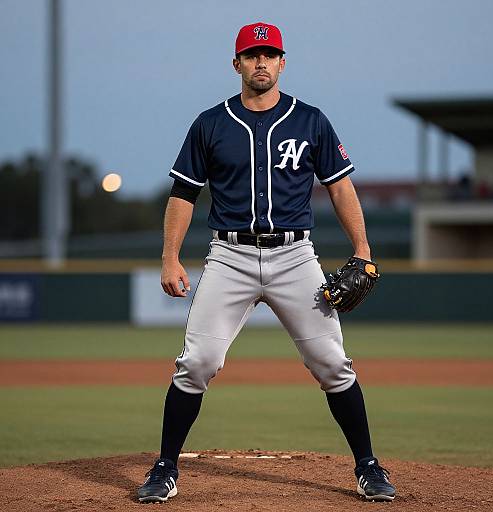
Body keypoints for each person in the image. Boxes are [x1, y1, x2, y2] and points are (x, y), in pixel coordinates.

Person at [137, 21, 396, 503]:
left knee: (332, 364)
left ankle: (367, 465)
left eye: (270, 54)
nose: (261, 62)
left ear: (282, 62)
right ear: (236, 64)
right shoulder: (210, 123)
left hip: (296, 256)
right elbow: (183, 194)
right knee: (197, 362)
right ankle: (165, 468)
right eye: (252, 55)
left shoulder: (311, 120)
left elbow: (340, 187)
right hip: (229, 256)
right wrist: (170, 257)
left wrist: (362, 248)